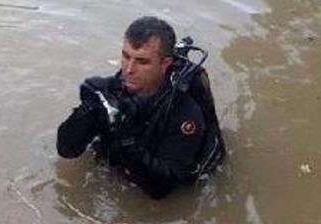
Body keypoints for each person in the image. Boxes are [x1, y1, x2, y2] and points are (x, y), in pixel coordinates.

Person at [56, 16, 225, 199]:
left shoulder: (185, 114)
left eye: (142, 61)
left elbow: (161, 190)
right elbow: (66, 150)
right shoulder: (116, 88)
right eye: (126, 56)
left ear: (165, 65)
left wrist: (126, 140)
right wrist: (88, 111)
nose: (129, 69)